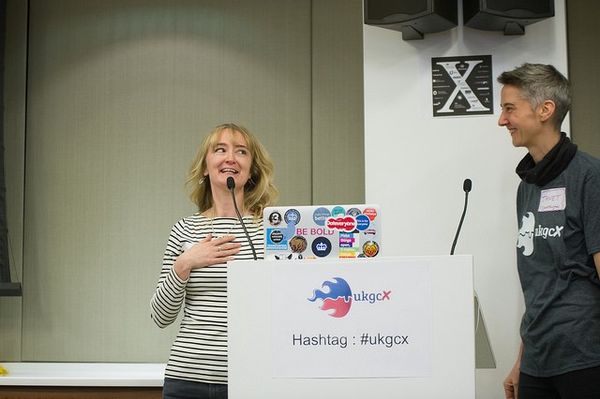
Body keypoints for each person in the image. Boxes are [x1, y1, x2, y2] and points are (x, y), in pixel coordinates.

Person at [151, 123, 278, 399]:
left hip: (253, 378)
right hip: (187, 380)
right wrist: (184, 263)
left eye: (241, 152)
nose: (230, 158)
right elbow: (161, 317)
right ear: (206, 167)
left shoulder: (271, 231)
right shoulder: (185, 229)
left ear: (252, 170)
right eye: (220, 150)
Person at [498, 63, 600, 399]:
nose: (502, 120)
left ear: (545, 109)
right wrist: (521, 360)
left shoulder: (589, 177)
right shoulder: (527, 186)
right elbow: (539, 282)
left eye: (509, 108)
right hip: (537, 363)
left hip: (585, 358)